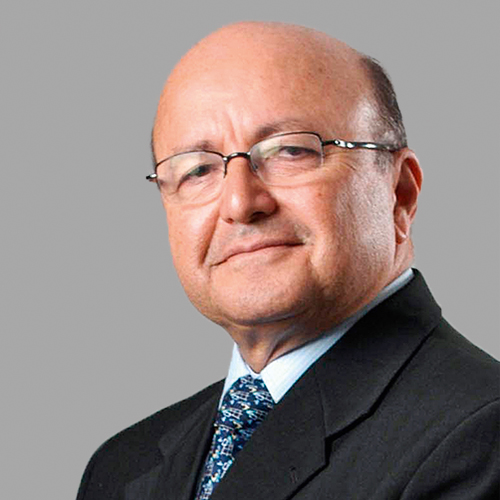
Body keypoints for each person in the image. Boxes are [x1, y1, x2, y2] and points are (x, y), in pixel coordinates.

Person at [77, 22, 499, 499]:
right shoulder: (122, 466)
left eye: (291, 151)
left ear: (399, 193)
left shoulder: (480, 441)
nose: (240, 203)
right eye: (197, 170)